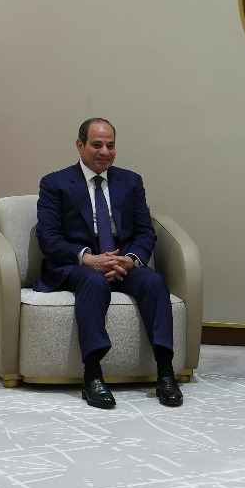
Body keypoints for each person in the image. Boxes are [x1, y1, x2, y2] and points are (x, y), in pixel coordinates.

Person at [34, 118, 181, 410]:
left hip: (121, 260)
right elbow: (48, 238)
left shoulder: (131, 181)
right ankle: (93, 375)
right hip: (78, 263)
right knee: (93, 281)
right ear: (80, 145)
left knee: (153, 282)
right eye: (97, 144)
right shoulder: (55, 183)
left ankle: (166, 372)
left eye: (110, 146)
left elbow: (145, 231)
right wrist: (88, 259)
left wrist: (130, 260)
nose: (105, 152)